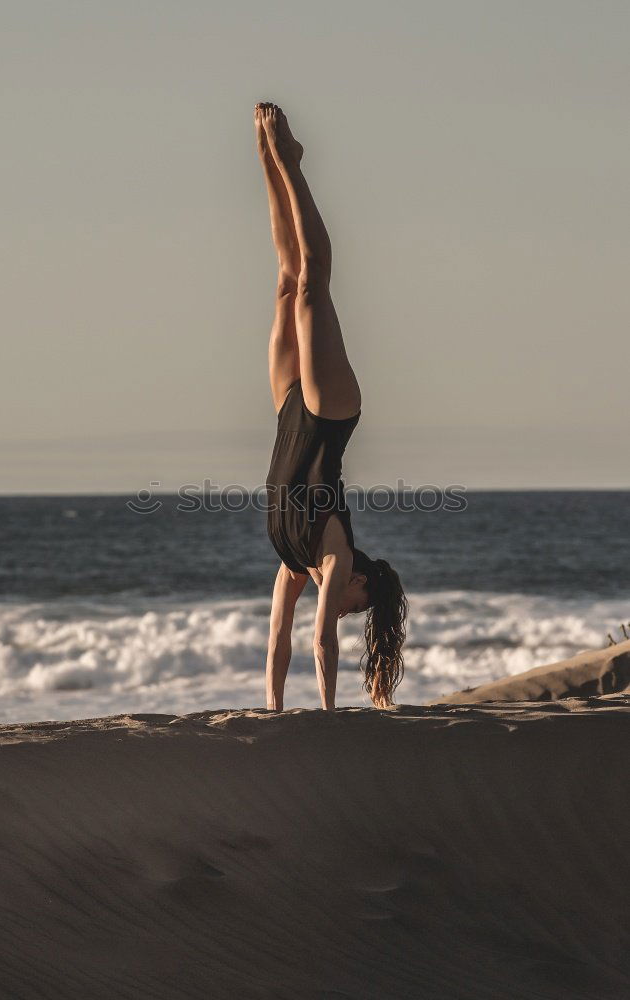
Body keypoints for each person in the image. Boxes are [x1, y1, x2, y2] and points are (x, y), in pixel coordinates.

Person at [256, 102, 407, 713]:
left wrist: (272, 712)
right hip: (328, 416)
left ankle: (267, 158)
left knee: (288, 280)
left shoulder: (298, 564)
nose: (341, 605)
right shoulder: (334, 554)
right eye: (355, 604)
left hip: (290, 410)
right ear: (362, 583)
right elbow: (321, 641)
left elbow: (277, 639)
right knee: (316, 278)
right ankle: (291, 162)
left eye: (347, 607)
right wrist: (327, 715)